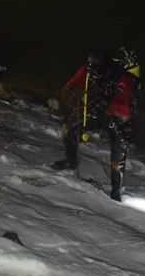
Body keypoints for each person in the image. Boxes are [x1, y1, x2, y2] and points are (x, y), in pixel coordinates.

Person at [52, 50, 135, 202]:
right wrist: (70, 92)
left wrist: (107, 106)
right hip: (94, 108)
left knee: (120, 148)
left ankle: (116, 190)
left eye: (97, 70)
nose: (93, 73)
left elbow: (125, 108)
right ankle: (71, 160)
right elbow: (72, 84)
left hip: (115, 116)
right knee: (68, 128)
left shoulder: (122, 78)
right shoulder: (87, 70)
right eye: (91, 69)